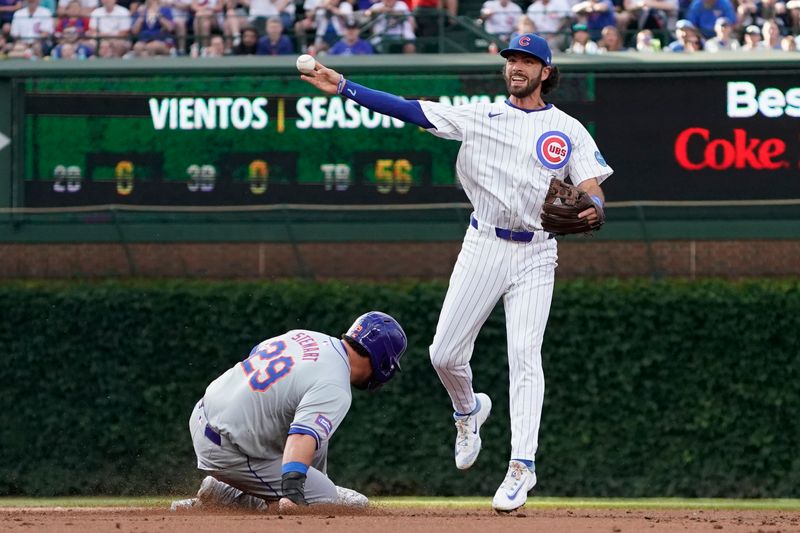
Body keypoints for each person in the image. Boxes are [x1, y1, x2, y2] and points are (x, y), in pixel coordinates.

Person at [300, 32, 612, 513]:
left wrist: (592, 207)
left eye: (528, 60)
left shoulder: (568, 129)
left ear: (546, 72)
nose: (517, 67)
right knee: (443, 353)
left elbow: (592, 189)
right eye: (512, 59)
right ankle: (468, 411)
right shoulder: (479, 116)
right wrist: (342, 85)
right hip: (483, 243)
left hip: (537, 253)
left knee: (526, 355)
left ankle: (521, 465)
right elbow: (409, 109)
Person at [171, 311, 407, 511]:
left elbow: (257, 352)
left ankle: (245, 487)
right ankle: (225, 492)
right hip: (226, 449)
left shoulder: (305, 336)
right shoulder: (336, 385)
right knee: (328, 500)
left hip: (205, 412)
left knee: (318, 436)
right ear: (383, 362)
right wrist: (293, 495)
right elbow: (302, 436)